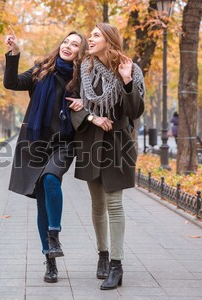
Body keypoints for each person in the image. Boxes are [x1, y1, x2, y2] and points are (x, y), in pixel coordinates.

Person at [4, 26, 88, 283]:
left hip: (63, 142)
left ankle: (54, 234)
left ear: (79, 53)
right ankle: (50, 260)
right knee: (41, 201)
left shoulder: (81, 78)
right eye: (66, 41)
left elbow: (93, 103)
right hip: (36, 142)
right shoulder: (41, 70)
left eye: (74, 44)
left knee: (51, 179)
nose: (68, 46)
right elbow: (12, 83)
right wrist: (14, 54)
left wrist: (85, 104)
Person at [67, 23, 145, 290]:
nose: (90, 39)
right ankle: (102, 255)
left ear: (109, 40)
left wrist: (126, 80)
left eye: (96, 35)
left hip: (118, 143)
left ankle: (116, 264)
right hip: (90, 141)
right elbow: (73, 107)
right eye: (90, 35)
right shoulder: (84, 71)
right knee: (97, 204)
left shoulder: (129, 68)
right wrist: (91, 116)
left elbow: (134, 111)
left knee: (114, 203)